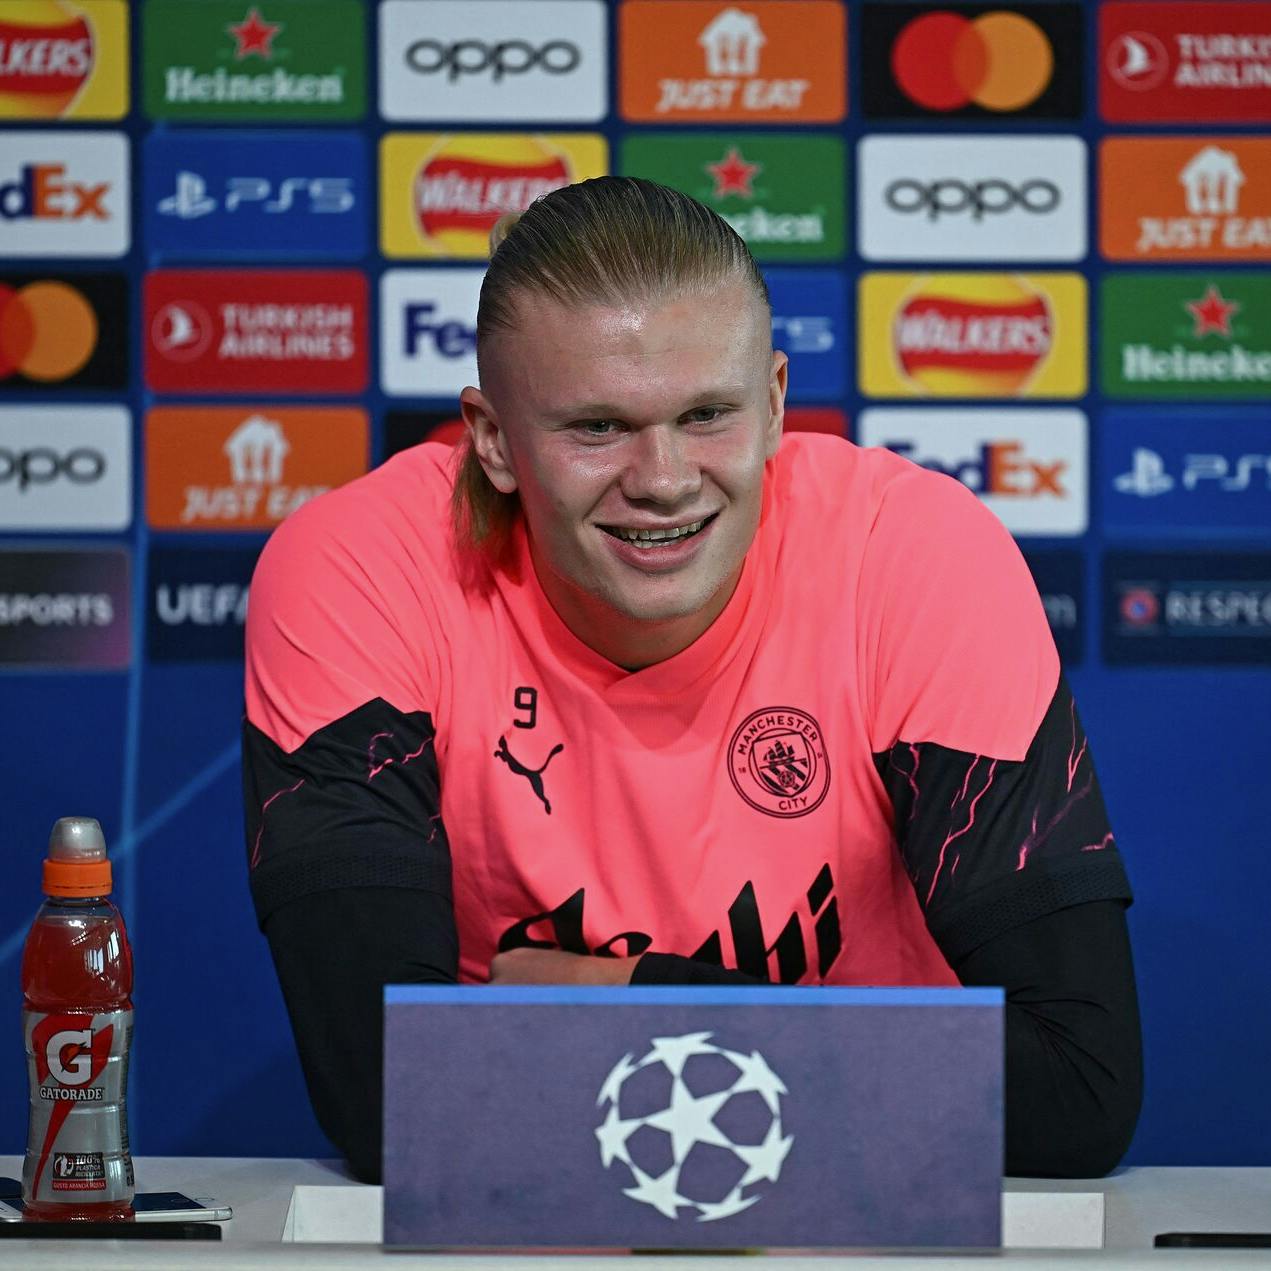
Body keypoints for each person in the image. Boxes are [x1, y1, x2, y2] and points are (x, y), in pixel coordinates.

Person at [243, 177, 1141, 1185]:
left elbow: (1077, 1090)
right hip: (521, 1224)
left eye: (707, 413)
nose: (663, 479)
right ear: (492, 440)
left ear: (773, 403)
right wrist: (830, 1050)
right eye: (596, 427)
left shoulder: (915, 556)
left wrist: (623, 992)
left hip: (871, 1223)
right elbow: (391, 1092)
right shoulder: (362, 568)